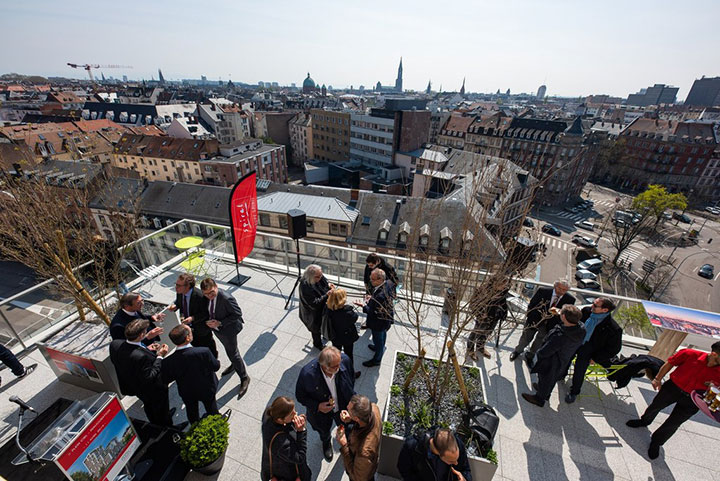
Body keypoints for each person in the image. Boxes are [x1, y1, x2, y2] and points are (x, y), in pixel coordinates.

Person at [626, 342, 720, 460]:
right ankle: (644, 421)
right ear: (714, 354)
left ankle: (656, 442)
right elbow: (670, 363)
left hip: (693, 400)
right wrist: (657, 379)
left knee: (674, 422)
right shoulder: (689, 354)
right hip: (673, 388)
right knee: (655, 406)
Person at [109, 319, 183, 428]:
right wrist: (159, 356)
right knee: (160, 407)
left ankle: (156, 421)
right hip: (152, 390)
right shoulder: (140, 356)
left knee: (149, 407)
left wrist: (146, 349)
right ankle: (169, 427)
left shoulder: (115, 344)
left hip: (134, 386)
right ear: (141, 334)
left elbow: (125, 359)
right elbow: (150, 375)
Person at [295, 346, 355, 462]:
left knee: (347, 426)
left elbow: (351, 378)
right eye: (335, 366)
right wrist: (317, 406)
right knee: (323, 430)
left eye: (339, 363)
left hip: (342, 407)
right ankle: (326, 442)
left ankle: (348, 444)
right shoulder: (307, 374)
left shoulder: (344, 360)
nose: (339, 368)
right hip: (321, 414)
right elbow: (300, 396)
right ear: (324, 366)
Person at [522, 305, 585, 407]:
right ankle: (545, 392)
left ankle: (540, 399)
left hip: (552, 360)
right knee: (551, 379)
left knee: (546, 377)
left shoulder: (561, 336)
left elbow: (547, 350)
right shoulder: (581, 329)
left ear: (564, 317)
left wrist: (539, 354)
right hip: (564, 359)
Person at [565, 297, 623, 404]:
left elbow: (614, 348)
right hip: (575, 342)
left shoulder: (613, 328)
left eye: (595, 305)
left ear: (605, 310)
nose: (592, 306)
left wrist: (596, 358)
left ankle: (574, 392)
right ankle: (561, 375)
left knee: (579, 371)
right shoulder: (586, 311)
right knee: (565, 359)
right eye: (593, 303)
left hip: (590, 351)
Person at [200, 278, 250, 399]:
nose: (209, 296)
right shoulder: (205, 298)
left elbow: (237, 314)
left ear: (216, 286)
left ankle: (244, 377)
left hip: (228, 330)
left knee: (233, 352)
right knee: (230, 350)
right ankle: (234, 364)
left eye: (212, 292)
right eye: (206, 294)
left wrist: (220, 323)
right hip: (218, 330)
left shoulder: (226, 298)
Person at [161, 324, 221, 424]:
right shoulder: (203, 351)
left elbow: (167, 378)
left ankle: (195, 426)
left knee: (191, 411)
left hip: (187, 391)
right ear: (188, 338)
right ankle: (217, 422)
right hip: (206, 387)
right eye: (190, 331)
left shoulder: (168, 361)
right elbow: (216, 367)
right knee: (211, 407)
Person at [509, 280, 575, 368]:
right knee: (525, 338)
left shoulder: (570, 299)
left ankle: (530, 356)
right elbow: (532, 305)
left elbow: (566, 314)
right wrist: (531, 317)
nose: (561, 291)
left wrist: (557, 313)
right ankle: (517, 351)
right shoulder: (543, 291)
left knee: (539, 342)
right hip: (535, 320)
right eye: (559, 288)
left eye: (564, 290)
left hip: (550, 325)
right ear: (555, 286)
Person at [261, 396, 312, 481]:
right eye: (292, 414)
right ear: (280, 420)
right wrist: (301, 431)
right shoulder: (281, 443)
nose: (295, 414)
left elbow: (284, 426)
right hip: (287, 474)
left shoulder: (269, 414)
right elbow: (300, 457)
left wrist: (292, 421)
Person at [168, 273, 217, 358]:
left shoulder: (200, 296)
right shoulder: (180, 292)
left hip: (201, 329)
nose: (176, 287)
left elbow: (206, 313)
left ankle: (213, 361)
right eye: (176, 284)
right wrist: (176, 306)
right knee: (195, 345)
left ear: (188, 286)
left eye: (179, 285)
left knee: (208, 347)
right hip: (188, 328)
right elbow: (179, 302)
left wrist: (192, 318)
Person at [397, 427, 472, 481]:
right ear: (438, 453)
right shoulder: (412, 447)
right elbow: (404, 470)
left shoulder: (457, 445)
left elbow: (466, 469)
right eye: (451, 461)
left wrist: (465, 479)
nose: (456, 463)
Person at [355, 268, 394, 368]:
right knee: (383, 335)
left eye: (373, 280)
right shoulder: (389, 283)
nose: (371, 281)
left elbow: (372, 312)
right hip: (386, 319)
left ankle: (377, 359)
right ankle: (378, 347)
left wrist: (363, 305)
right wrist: (372, 299)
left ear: (380, 279)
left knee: (378, 339)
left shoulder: (380, 297)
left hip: (378, 323)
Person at [336, 394, 382, 481]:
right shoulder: (374, 408)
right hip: (370, 464)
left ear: (357, 418)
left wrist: (344, 444)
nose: (346, 407)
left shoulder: (364, 452)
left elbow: (357, 477)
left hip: (364, 474)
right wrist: (351, 419)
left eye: (348, 409)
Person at [466, 279, 509, 360]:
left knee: (486, 333)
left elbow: (504, 304)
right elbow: (473, 304)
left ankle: (480, 347)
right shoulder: (483, 291)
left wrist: (503, 312)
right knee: (476, 333)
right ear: (496, 283)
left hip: (494, 317)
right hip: (483, 317)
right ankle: (470, 349)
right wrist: (480, 314)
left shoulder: (502, 292)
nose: (504, 287)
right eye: (503, 285)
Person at [323, 288, 361, 378]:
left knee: (336, 353)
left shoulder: (328, 309)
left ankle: (336, 369)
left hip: (335, 337)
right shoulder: (347, 312)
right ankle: (350, 372)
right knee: (348, 354)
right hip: (347, 337)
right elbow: (355, 318)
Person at [299, 265, 334, 350]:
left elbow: (324, 281)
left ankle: (325, 334)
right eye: (318, 277)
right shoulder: (305, 286)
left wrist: (329, 285)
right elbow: (314, 304)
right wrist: (327, 294)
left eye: (321, 275)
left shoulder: (318, 276)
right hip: (312, 313)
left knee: (324, 323)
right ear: (311, 276)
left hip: (322, 308)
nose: (320, 278)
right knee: (316, 330)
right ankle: (318, 344)